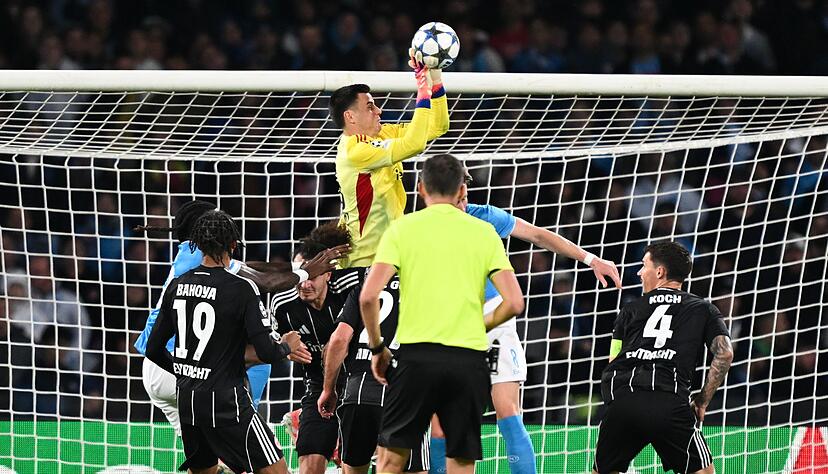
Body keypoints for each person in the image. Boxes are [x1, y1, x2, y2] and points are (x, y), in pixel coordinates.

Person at [428, 179, 623, 474]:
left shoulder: (484, 216)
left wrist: (590, 258)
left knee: (508, 412)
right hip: (449, 324)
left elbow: (537, 235)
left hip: (494, 318)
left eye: (465, 197)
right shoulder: (421, 229)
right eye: (458, 200)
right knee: (441, 424)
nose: (464, 205)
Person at [360, 154, 525, 474]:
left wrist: (378, 348)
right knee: (461, 460)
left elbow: (368, 297)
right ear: (461, 191)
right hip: (467, 360)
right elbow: (515, 302)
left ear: (420, 188)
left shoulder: (402, 230)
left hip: (415, 358)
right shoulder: (484, 232)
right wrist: (481, 324)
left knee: (392, 459)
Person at [134, 200, 343, 436]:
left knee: (208, 459)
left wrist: (298, 268)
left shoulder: (192, 255)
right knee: (259, 352)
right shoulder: (201, 257)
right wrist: (307, 272)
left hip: (160, 367)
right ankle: (259, 425)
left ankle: (248, 433)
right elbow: (263, 282)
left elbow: (254, 268)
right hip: (182, 363)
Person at [145, 210, 309, 474]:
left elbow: (153, 349)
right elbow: (267, 352)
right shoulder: (241, 289)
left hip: (189, 400)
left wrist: (185, 371)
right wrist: (287, 345)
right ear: (233, 244)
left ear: (196, 245)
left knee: (205, 471)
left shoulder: (177, 285)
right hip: (228, 404)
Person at [593, 241, 734, 474]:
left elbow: (613, 360)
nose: (639, 272)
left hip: (625, 400)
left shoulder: (630, 309)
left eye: (643, 265)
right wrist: (702, 400)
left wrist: (615, 405)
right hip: (669, 401)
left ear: (660, 272)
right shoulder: (703, 309)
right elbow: (725, 352)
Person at [332, 50, 449, 268]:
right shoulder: (354, 151)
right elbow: (414, 144)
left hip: (391, 257)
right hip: (361, 263)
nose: (379, 110)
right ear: (350, 116)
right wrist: (422, 90)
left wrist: (435, 79)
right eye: (369, 107)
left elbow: (438, 126)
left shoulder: (382, 133)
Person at [318, 271, 428, 474]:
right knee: (412, 470)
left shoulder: (364, 289)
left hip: (358, 393)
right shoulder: (426, 291)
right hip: (404, 393)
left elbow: (339, 340)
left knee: (353, 468)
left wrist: (328, 389)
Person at [268, 222, 352, 474]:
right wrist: (284, 348)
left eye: (311, 276)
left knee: (357, 463)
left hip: (358, 386)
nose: (304, 284)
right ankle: (305, 421)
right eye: (300, 276)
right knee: (310, 466)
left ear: (328, 273)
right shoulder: (282, 304)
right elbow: (270, 343)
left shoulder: (349, 290)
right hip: (317, 389)